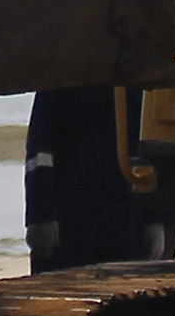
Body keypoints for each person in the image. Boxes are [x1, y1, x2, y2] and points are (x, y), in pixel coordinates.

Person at [24, 85, 140, 270]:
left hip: (125, 219)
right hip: (66, 220)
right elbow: (40, 153)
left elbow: (153, 154)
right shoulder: (62, 74)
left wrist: (156, 220)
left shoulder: (138, 77)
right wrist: (41, 216)